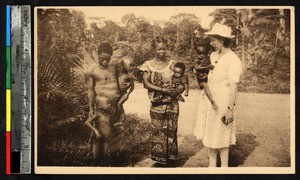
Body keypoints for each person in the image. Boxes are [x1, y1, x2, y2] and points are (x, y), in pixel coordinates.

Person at [194, 23, 243, 167]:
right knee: (210, 133)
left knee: (222, 134)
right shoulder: (213, 55)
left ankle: (224, 167)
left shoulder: (233, 59)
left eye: (214, 40)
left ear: (222, 40)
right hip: (210, 100)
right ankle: (212, 166)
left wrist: (229, 108)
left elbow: (234, 87)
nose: (211, 43)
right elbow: (208, 76)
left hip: (223, 100)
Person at [140, 36, 184, 166]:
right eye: (159, 49)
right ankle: (159, 159)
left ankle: (170, 158)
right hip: (157, 104)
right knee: (158, 130)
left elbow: (181, 81)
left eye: (164, 49)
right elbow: (146, 83)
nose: (162, 52)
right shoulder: (147, 65)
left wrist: (177, 91)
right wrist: (164, 90)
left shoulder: (172, 64)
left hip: (172, 104)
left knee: (172, 129)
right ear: (154, 49)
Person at [85, 42, 121, 166]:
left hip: (114, 108)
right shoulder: (92, 69)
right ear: (97, 54)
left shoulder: (114, 68)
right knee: (102, 136)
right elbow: (90, 90)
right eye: (102, 59)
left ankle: (110, 159)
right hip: (101, 108)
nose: (105, 62)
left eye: (108, 59)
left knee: (113, 134)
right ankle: (99, 162)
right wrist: (91, 108)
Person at [193, 44, 218, 110]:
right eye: (199, 54)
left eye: (203, 54)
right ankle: (212, 101)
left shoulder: (208, 59)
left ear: (206, 53)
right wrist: (207, 67)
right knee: (205, 85)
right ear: (196, 54)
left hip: (208, 77)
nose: (201, 56)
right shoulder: (196, 61)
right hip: (201, 79)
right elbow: (196, 68)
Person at [115, 56, 135, 128]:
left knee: (119, 104)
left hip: (124, 94)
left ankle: (121, 120)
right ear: (123, 66)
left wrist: (128, 93)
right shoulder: (118, 74)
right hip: (118, 93)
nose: (132, 68)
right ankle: (118, 118)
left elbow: (133, 86)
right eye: (130, 66)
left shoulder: (129, 76)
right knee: (117, 105)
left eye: (133, 66)